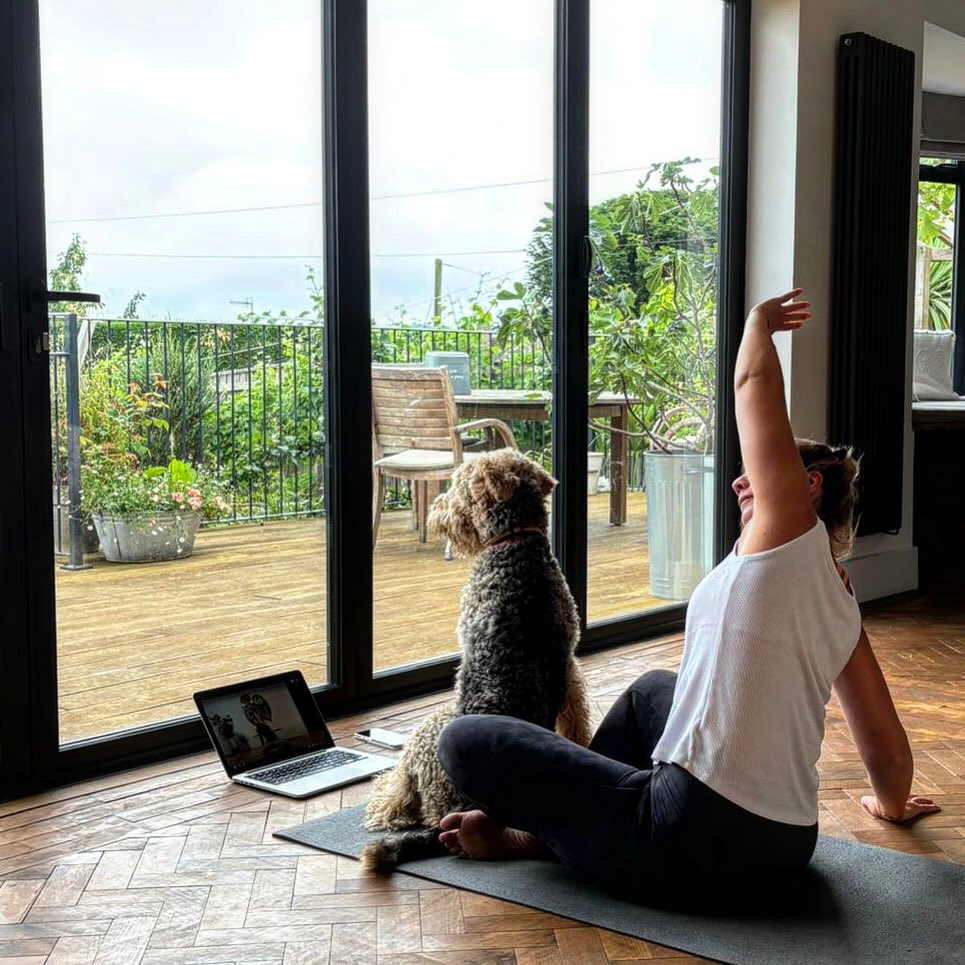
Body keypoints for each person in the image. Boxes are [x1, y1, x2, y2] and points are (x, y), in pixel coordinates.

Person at [434, 288, 940, 907]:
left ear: (805, 486)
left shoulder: (789, 531)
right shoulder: (841, 602)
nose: (739, 481)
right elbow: (885, 747)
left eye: (756, 474)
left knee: (463, 740)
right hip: (788, 844)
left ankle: (549, 834)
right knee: (651, 691)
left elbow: (754, 382)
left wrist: (758, 322)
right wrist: (891, 805)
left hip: (690, 836)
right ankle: (584, 820)